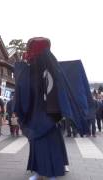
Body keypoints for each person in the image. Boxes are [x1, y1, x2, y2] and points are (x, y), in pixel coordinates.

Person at [15, 37, 91, 180]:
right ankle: (39, 172)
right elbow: (25, 91)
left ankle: (52, 172)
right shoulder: (30, 71)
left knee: (51, 144)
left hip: (50, 114)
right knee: (37, 143)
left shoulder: (53, 69)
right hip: (35, 114)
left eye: (31, 51)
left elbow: (61, 90)